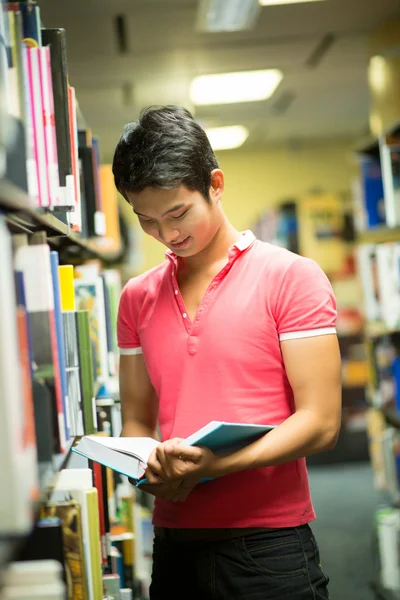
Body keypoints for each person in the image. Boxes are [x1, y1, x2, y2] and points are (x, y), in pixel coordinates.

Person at [113, 105, 342, 600]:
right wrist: (147, 466)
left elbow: (321, 422)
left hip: (269, 544)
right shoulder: (135, 297)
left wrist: (211, 469)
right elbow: (136, 418)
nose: (167, 236)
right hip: (173, 541)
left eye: (178, 213)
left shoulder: (291, 278)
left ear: (215, 184)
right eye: (147, 221)